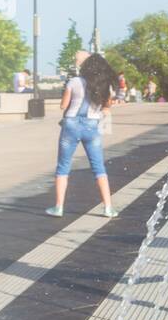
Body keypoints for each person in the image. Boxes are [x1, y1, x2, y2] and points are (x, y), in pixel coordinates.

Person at [47, 54, 119, 218]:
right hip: (92, 126)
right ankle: (108, 207)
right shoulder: (105, 86)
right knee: (99, 167)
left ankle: (58, 207)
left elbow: (63, 105)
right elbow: (107, 106)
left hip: (71, 125)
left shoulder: (74, 82)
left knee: (63, 166)